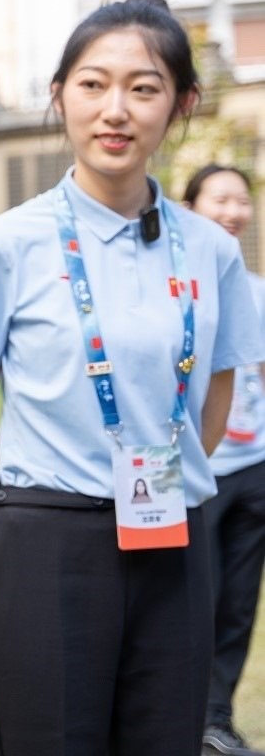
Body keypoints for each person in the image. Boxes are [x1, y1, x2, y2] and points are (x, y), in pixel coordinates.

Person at [0, 0, 264, 756]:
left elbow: (216, 396)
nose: (115, 109)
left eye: (144, 88)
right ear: (60, 96)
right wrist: (36, 499)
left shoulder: (213, 251)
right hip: (45, 540)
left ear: (181, 104)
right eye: (93, 84)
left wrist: (158, 472)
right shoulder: (7, 243)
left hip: (171, 535)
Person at [182, 163, 265, 756]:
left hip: (254, 466)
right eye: (220, 199)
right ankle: (177, 722)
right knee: (191, 604)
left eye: (242, 200)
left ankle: (216, 722)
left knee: (237, 604)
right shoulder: (174, 284)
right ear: (189, 208)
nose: (233, 211)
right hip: (194, 472)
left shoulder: (258, 289)